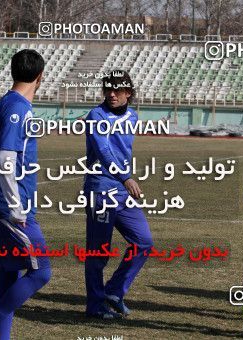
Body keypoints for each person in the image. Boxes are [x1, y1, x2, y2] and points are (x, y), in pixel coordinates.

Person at [0, 49, 51, 340]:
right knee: (41, 272)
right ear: (40, 77)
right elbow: (6, 159)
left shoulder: (7, 102)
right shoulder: (19, 108)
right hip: (11, 209)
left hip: (8, 204)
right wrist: (17, 207)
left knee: (9, 274)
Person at [83, 70, 154, 319]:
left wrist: (124, 179)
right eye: (108, 89)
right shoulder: (96, 115)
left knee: (143, 242)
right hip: (101, 190)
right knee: (98, 252)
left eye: (118, 90)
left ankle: (113, 291)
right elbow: (103, 150)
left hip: (122, 192)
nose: (111, 94)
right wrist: (126, 177)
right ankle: (95, 305)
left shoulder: (132, 116)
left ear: (129, 93)